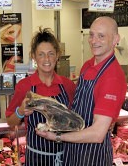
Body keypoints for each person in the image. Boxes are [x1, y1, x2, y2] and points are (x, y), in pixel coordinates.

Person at [36, 16, 127, 166]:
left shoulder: (113, 77)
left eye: (101, 36)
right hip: (73, 152)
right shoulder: (87, 65)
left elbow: (98, 134)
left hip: (93, 156)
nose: (93, 40)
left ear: (115, 39)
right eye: (91, 35)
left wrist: (57, 137)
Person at [5, 27, 76, 166]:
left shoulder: (68, 85)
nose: (47, 59)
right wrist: (20, 112)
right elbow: (10, 122)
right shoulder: (24, 86)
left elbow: (76, 120)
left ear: (57, 55)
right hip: (36, 158)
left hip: (66, 156)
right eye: (41, 54)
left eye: (51, 53)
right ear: (34, 56)